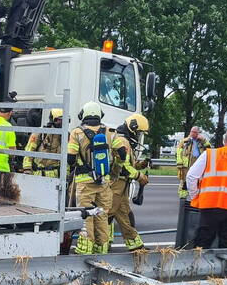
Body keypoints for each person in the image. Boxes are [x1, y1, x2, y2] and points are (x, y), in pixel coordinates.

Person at [67, 101, 112, 254]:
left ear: (83, 114)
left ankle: (85, 249)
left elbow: (71, 157)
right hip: (104, 181)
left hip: (84, 181)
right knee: (102, 214)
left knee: (86, 214)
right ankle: (101, 249)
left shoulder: (76, 132)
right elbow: (115, 154)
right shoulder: (107, 131)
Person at [109, 113, 149, 251]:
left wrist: (140, 165)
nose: (138, 136)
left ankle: (136, 247)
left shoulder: (125, 141)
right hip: (115, 185)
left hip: (121, 187)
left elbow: (129, 163)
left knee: (125, 216)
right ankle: (101, 245)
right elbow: (124, 167)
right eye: (138, 132)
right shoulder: (122, 141)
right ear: (132, 128)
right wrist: (140, 176)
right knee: (106, 215)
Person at [22, 108, 63, 177]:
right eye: (59, 120)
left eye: (63, 120)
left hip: (56, 176)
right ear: (53, 120)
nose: (61, 123)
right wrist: (27, 170)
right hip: (39, 174)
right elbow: (29, 152)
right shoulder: (40, 133)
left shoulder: (65, 136)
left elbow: (66, 158)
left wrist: (66, 175)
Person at [176, 126, 212, 199]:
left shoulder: (202, 141)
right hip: (186, 164)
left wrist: (204, 140)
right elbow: (179, 152)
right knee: (184, 181)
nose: (192, 133)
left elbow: (209, 149)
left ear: (198, 133)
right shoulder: (184, 141)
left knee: (198, 180)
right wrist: (180, 163)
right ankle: (183, 198)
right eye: (191, 131)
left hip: (198, 162)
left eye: (194, 132)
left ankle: (197, 197)